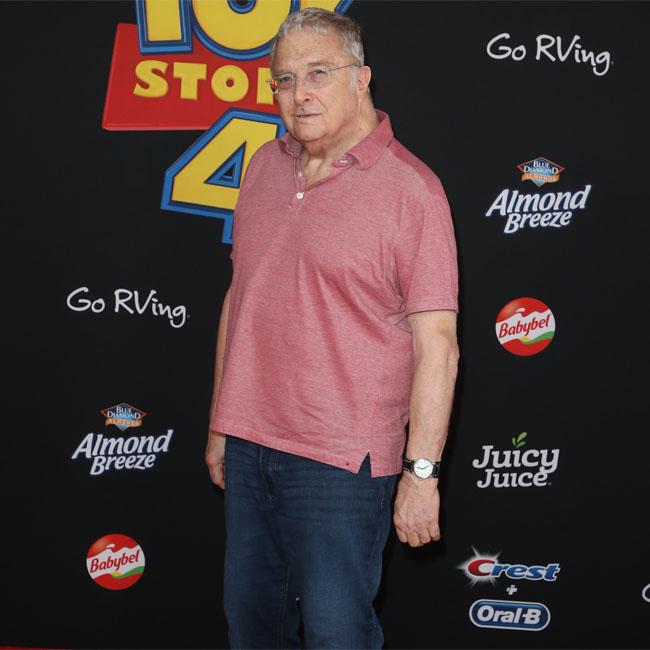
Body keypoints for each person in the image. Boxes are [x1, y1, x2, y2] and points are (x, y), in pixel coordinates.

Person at [205, 8, 459, 649]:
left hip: (342, 462)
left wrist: (421, 475)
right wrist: (220, 423)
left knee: (337, 635)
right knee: (251, 628)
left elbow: (438, 346)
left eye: (319, 73)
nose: (300, 94)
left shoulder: (413, 192)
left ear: (362, 78)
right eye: (285, 80)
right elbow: (240, 298)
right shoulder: (263, 169)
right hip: (249, 443)